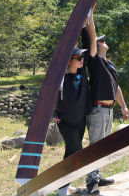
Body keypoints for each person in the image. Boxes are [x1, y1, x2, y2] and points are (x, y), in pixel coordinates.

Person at [83, 3, 129, 195]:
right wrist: (90, 13)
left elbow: (116, 87)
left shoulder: (110, 64)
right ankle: (91, 183)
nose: (103, 41)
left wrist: (124, 107)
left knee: (103, 147)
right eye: (100, 41)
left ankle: (98, 176)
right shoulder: (95, 60)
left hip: (109, 110)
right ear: (97, 45)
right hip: (98, 109)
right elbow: (91, 34)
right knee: (95, 146)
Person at [55, 46, 92, 196]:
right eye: (78, 58)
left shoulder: (82, 74)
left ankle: (62, 189)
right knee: (78, 155)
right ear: (68, 62)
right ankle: (55, 183)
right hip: (66, 124)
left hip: (80, 121)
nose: (82, 60)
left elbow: (87, 50)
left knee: (69, 156)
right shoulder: (61, 80)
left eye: (82, 58)